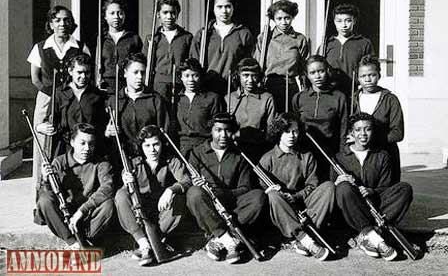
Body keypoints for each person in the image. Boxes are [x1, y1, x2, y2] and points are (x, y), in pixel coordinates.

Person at [28, 5, 90, 198]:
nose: (62, 24)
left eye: (66, 20)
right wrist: (50, 94)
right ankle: (41, 200)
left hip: (73, 99)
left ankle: (71, 195)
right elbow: (35, 79)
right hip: (47, 100)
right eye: (57, 20)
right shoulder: (40, 48)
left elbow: (87, 74)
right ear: (51, 24)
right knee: (44, 146)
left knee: (70, 144)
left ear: (72, 24)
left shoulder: (80, 47)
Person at [186, 113, 266, 263]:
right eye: (218, 130)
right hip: (208, 207)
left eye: (227, 130)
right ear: (211, 131)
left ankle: (218, 240)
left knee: (258, 196)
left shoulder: (240, 155)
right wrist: (198, 186)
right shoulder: (197, 153)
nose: (223, 135)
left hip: (233, 205)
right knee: (194, 193)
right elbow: (190, 183)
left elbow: (245, 187)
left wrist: (224, 194)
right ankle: (229, 240)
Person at [334, 113, 413, 261]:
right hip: (352, 209)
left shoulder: (382, 156)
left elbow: (386, 186)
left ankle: (367, 235)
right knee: (343, 188)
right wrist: (339, 182)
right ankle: (372, 235)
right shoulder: (340, 158)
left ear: (373, 131)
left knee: (404, 189)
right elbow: (334, 190)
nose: (363, 134)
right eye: (358, 130)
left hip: (375, 204)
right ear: (351, 133)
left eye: (367, 129)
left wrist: (371, 191)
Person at [258, 113, 334, 261]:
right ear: (278, 132)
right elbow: (263, 191)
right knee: (273, 195)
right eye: (287, 131)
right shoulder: (267, 159)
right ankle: (303, 238)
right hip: (280, 209)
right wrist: (280, 195)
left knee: (328, 187)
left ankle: (306, 236)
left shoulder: (306, 156)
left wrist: (296, 196)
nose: (292, 135)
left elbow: (313, 184)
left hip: (303, 203)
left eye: (295, 131)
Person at [115, 125, 191, 266]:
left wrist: (171, 190)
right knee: (121, 194)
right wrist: (126, 181)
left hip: (163, 210)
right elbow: (125, 187)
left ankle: (155, 242)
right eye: (147, 145)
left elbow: (186, 180)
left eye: (156, 144)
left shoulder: (171, 160)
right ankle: (144, 243)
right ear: (141, 146)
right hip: (142, 211)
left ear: (162, 143)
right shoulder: (134, 163)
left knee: (179, 197)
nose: (152, 150)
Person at [35, 123, 115, 249]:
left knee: (108, 204)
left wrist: (82, 211)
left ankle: (87, 241)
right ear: (72, 142)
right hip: (65, 215)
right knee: (44, 200)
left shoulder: (102, 163)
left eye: (91, 143)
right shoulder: (59, 162)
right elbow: (48, 194)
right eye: (82, 143)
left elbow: (107, 188)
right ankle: (73, 243)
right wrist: (45, 179)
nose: (87, 148)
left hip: (88, 214)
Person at [36, 54, 108, 157]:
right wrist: (41, 127)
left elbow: (103, 125)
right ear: (70, 71)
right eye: (79, 72)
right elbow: (50, 120)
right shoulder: (59, 93)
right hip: (65, 150)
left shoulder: (97, 95)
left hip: (89, 149)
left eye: (87, 73)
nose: (83, 76)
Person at [292, 55, 348, 182]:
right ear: (306, 74)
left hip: (329, 152)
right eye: (312, 72)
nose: (317, 76)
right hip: (305, 153)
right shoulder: (299, 98)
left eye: (321, 71)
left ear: (327, 71)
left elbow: (344, 127)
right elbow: (295, 126)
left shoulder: (339, 97)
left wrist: (342, 154)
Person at [105, 53, 170, 159]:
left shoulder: (155, 99)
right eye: (135, 72)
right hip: (122, 158)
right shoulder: (114, 101)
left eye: (142, 73)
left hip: (149, 158)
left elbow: (164, 132)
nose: (139, 77)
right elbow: (104, 136)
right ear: (125, 73)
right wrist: (108, 133)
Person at [190, 0, 254, 96]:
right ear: (213, 8)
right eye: (219, 7)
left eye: (228, 6)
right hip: (206, 90)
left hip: (233, 91)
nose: (224, 11)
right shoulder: (203, 34)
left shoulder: (243, 33)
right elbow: (193, 63)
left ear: (233, 8)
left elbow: (248, 64)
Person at [353, 55, 404, 182]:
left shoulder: (390, 99)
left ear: (379, 75)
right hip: (361, 155)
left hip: (385, 152)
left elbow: (398, 133)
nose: (368, 79)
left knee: (387, 191)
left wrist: (373, 139)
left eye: (372, 75)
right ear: (357, 78)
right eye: (363, 76)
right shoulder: (353, 100)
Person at [254, 0, 309, 113]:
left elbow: (304, 68)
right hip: (268, 86)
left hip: (290, 86)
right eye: (279, 18)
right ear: (273, 19)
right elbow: (256, 64)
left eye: (287, 17)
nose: (284, 22)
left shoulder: (300, 39)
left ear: (292, 17)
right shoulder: (264, 38)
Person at [143, 0, 193, 100]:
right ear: (158, 15)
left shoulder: (187, 37)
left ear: (177, 14)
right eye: (165, 13)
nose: (169, 16)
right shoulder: (152, 38)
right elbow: (145, 65)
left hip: (181, 85)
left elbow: (191, 63)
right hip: (158, 86)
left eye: (173, 12)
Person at [226, 58, 275, 160]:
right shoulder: (229, 98)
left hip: (258, 151)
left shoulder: (267, 98)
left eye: (254, 75)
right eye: (245, 75)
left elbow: (271, 131)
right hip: (234, 152)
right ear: (238, 76)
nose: (250, 80)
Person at [323, 3, 375, 98]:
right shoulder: (326, 43)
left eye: (348, 21)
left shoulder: (364, 43)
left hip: (354, 92)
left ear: (354, 21)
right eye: (339, 21)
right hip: (330, 92)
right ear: (334, 22)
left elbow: (370, 68)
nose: (344, 25)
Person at [175, 58, 224, 155]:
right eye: (187, 76)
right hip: (180, 147)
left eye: (195, 75)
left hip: (204, 147)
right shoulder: (176, 99)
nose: (191, 80)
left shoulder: (212, 98)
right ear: (181, 77)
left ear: (200, 76)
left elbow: (217, 127)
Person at [100, 0, 143, 95]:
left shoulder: (133, 38)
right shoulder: (100, 39)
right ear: (105, 16)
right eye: (112, 13)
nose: (116, 16)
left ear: (124, 15)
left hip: (127, 84)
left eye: (120, 13)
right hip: (105, 87)